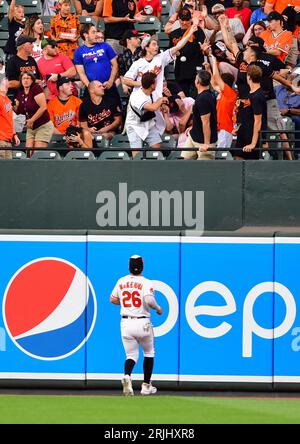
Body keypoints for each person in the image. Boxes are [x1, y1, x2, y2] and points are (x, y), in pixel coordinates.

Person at [110, 255, 163, 396]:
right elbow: (149, 300)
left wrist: (128, 305)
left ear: (129, 267)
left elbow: (113, 299)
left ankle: (127, 375)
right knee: (149, 353)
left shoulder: (121, 281)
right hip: (142, 321)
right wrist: (158, 308)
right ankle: (146, 386)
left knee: (131, 355)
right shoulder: (146, 282)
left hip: (126, 322)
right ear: (142, 267)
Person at [123, 22, 198, 97]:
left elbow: (178, 47)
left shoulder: (161, 58)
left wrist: (190, 32)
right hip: (140, 99)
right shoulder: (138, 63)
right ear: (146, 47)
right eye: (154, 44)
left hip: (157, 98)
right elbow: (126, 80)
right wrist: (142, 83)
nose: (157, 47)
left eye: (157, 45)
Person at [73, 23, 119, 102]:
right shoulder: (78, 52)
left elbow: (115, 65)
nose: (97, 35)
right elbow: (81, 73)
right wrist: (90, 87)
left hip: (109, 86)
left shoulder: (105, 45)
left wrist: (110, 81)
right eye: (93, 32)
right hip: (92, 90)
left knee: (116, 113)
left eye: (97, 32)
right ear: (85, 35)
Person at [126, 71, 168, 156]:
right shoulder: (136, 96)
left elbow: (157, 103)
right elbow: (152, 107)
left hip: (149, 124)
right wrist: (160, 101)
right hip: (135, 126)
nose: (157, 84)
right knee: (137, 154)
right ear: (152, 85)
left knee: (157, 149)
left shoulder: (153, 92)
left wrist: (162, 105)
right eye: (156, 82)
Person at [232, 64, 268, 159]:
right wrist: (238, 128)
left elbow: (258, 121)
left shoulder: (257, 96)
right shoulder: (251, 93)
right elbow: (246, 114)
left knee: (250, 169)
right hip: (243, 134)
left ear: (249, 77)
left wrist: (253, 143)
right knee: (238, 160)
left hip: (251, 137)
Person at [169, 6, 205, 97]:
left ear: (191, 19)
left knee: (196, 97)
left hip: (195, 69)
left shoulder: (198, 31)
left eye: (187, 19)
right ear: (178, 19)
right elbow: (170, 50)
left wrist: (204, 48)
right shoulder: (174, 34)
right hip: (180, 70)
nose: (184, 22)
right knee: (183, 97)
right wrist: (175, 52)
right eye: (182, 19)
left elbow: (204, 47)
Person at [204, 54, 237, 154]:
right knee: (217, 155)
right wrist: (208, 69)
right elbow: (214, 84)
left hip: (226, 130)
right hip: (219, 128)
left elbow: (216, 79)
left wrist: (214, 61)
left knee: (222, 156)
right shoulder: (223, 93)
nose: (219, 83)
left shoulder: (230, 94)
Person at [181, 69, 218, 160]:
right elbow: (199, 118)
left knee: (204, 169)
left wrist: (206, 144)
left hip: (204, 141)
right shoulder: (203, 95)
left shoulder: (204, 98)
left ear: (197, 82)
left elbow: (206, 122)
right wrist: (194, 126)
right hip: (194, 135)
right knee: (184, 162)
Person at [14, 71, 54, 152]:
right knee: (28, 153)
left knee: (37, 153)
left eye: (28, 78)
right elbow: (18, 110)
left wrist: (32, 120)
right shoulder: (20, 92)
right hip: (31, 127)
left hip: (43, 125)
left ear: (32, 80)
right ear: (21, 80)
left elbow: (43, 107)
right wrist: (11, 105)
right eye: (23, 78)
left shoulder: (36, 89)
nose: (25, 80)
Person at [275, 72, 300, 158]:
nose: (287, 81)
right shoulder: (277, 89)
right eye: (287, 79)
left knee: (297, 121)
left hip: (292, 115)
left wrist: (289, 110)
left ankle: (297, 151)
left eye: (291, 79)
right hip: (276, 114)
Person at [0, 75, 20, 159]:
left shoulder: (7, 99)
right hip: (0, 139)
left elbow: (9, 119)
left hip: (8, 140)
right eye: (6, 79)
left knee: (8, 168)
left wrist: (14, 134)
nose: (8, 81)